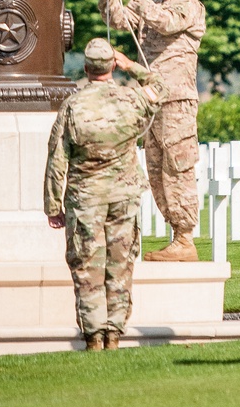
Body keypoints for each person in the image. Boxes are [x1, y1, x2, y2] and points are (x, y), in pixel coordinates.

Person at [44, 37, 166, 351]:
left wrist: (52, 204)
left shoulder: (72, 105)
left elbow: (58, 156)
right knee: (120, 264)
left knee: (87, 266)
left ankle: (93, 336)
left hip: (86, 198)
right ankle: (114, 333)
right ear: (111, 66)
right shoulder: (131, 99)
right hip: (124, 196)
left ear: (85, 68)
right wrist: (131, 65)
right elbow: (159, 86)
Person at [100, 0, 205, 261]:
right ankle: (178, 237)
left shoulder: (190, 6)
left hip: (176, 101)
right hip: (151, 100)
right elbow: (115, 18)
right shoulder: (152, 5)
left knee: (177, 168)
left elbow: (165, 23)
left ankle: (185, 238)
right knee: (156, 171)